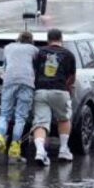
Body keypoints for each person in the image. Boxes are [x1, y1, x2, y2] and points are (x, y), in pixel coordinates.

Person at [0, 31, 38, 163]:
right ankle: (14, 150)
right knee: (20, 117)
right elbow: (36, 66)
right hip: (26, 82)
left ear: (18, 39)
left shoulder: (8, 47)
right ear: (31, 41)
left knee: (4, 114)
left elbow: (5, 66)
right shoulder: (34, 50)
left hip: (9, 81)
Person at [31, 29, 76, 166]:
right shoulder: (68, 54)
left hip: (40, 91)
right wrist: (66, 87)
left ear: (48, 39)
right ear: (61, 39)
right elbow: (72, 77)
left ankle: (40, 151)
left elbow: (33, 71)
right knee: (64, 118)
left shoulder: (39, 52)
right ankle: (63, 150)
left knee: (40, 123)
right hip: (60, 91)